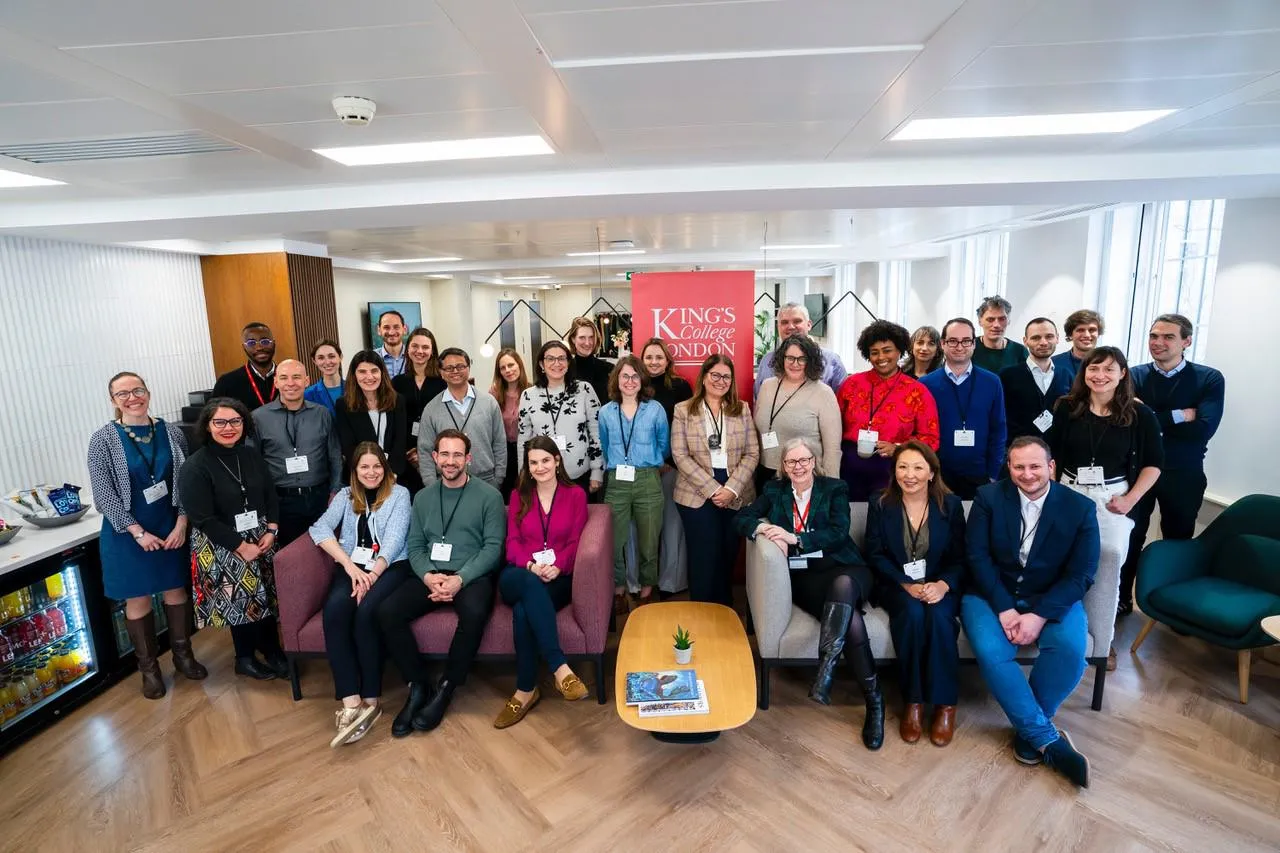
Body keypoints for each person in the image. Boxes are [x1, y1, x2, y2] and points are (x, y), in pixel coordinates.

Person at [961, 437, 1099, 788]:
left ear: (1051, 467)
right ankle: (1046, 739)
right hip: (991, 594)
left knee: (1070, 648)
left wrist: (1039, 615)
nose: (1027, 474)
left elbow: (1081, 574)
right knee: (993, 653)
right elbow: (977, 558)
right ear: (1008, 467)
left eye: (1035, 466)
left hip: (1050, 597)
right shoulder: (988, 498)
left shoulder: (1080, 508)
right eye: (1018, 466)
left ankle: (1032, 728)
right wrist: (1005, 608)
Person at [733, 438, 883, 750]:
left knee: (842, 587)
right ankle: (875, 701)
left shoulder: (835, 488)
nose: (799, 467)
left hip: (846, 568)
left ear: (814, 461)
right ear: (783, 467)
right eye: (791, 462)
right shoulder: (775, 491)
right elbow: (741, 518)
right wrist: (763, 529)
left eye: (804, 460)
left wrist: (796, 538)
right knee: (850, 616)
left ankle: (826, 670)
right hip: (806, 579)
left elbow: (839, 531)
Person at [87, 371, 206, 699]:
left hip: (170, 527)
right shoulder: (102, 439)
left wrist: (182, 522)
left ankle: (183, 657)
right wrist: (137, 532)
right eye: (122, 394)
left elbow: (184, 481)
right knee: (137, 598)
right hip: (127, 533)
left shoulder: (170, 432)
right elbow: (104, 495)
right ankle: (149, 670)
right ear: (113, 401)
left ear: (148, 392)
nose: (132, 397)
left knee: (175, 591)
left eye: (137, 390)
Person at [379, 430, 505, 737]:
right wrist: (428, 577)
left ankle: (447, 686)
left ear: (468, 459)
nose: (450, 461)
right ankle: (418, 685)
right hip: (431, 573)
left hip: (471, 575)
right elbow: (416, 545)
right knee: (386, 612)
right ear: (434, 458)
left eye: (457, 455)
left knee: (474, 613)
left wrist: (460, 579)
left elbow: (493, 548)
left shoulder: (490, 496)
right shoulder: (422, 498)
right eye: (444, 455)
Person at [1049, 346, 1161, 663]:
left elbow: (1154, 464)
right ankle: (1065, 632)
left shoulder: (1140, 415)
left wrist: (1129, 500)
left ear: (1123, 374)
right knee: (1064, 563)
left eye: (1109, 369)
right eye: (1093, 369)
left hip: (1114, 498)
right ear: (1084, 373)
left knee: (1108, 563)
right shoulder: (1067, 408)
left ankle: (1102, 640)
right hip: (1071, 492)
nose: (1100, 376)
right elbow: (1051, 456)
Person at [308, 442, 413, 747]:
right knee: (336, 610)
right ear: (354, 471)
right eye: (364, 467)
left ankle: (372, 698)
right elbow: (320, 529)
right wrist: (348, 566)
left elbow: (394, 540)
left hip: (391, 567)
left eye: (377, 466)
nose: (372, 472)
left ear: (386, 467)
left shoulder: (399, 494)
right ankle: (351, 702)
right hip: (353, 566)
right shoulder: (344, 495)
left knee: (367, 613)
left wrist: (371, 576)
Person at [1121, 314, 1225, 615]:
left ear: (1186, 341)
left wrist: (1150, 416)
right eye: (1154, 336)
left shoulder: (1208, 378)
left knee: (1177, 540)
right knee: (1131, 534)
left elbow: (1204, 428)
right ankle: (1122, 599)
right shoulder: (1134, 375)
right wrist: (1180, 415)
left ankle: (1173, 607)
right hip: (1137, 470)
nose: (1158, 343)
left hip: (1184, 473)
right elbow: (1127, 423)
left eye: (1168, 337)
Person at [864, 441, 965, 746]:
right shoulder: (880, 503)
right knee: (911, 613)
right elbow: (875, 554)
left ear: (932, 473)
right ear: (894, 472)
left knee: (939, 616)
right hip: (896, 584)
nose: (910, 475)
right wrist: (905, 583)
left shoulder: (951, 505)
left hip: (939, 584)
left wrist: (943, 585)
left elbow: (961, 558)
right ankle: (914, 702)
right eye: (903, 467)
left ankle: (946, 705)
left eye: (918, 467)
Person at [178, 398, 286, 681]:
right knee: (241, 602)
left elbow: (270, 494)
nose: (229, 428)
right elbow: (202, 518)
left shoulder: (250, 455)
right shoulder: (195, 466)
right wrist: (240, 546)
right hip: (222, 543)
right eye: (220, 422)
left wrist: (272, 529)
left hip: (261, 536)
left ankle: (272, 650)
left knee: (266, 596)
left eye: (235, 421)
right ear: (208, 426)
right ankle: (245, 657)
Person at [493, 436, 591, 728]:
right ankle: (560, 668)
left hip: (558, 578)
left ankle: (525, 691)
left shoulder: (575, 495)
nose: (540, 467)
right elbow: (511, 541)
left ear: (557, 460)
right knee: (526, 587)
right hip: (519, 573)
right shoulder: (518, 495)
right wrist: (532, 565)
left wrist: (558, 566)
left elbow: (576, 541)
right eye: (533, 462)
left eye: (546, 460)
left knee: (525, 611)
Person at [671, 353, 759, 606]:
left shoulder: (741, 409)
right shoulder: (683, 410)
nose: (721, 381)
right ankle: (701, 611)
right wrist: (713, 489)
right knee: (704, 555)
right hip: (696, 491)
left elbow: (752, 452)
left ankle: (724, 611)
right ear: (704, 377)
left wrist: (731, 488)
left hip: (736, 488)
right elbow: (679, 454)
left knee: (727, 554)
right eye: (715, 375)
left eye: (726, 377)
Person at [836, 320, 941, 501]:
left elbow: (931, 438)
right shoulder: (852, 384)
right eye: (874, 352)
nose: (881, 357)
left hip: (892, 472)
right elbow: (833, 426)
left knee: (885, 524)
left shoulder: (917, 391)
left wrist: (899, 448)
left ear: (899, 350)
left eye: (887, 350)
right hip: (848, 469)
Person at [599, 356, 669, 611]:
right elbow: (605, 447)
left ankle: (647, 587)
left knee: (649, 539)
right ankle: (618, 588)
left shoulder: (655, 409)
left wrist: (649, 463)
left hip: (648, 479)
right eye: (624, 376)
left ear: (642, 380)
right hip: (617, 480)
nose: (629, 381)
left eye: (635, 376)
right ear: (616, 380)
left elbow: (664, 444)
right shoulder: (605, 412)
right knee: (615, 541)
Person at [252, 359, 342, 547]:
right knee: (290, 555)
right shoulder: (259, 418)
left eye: (296, 377)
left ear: (307, 381)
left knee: (325, 553)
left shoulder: (322, 414)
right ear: (276, 382)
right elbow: (253, 462)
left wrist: (334, 491)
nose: (291, 383)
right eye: (284, 378)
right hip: (281, 502)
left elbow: (334, 456)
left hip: (320, 498)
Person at [919, 318, 1008, 499]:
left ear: (974, 344)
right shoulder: (925, 384)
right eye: (953, 341)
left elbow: (998, 430)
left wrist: (992, 474)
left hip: (979, 475)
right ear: (943, 344)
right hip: (937, 474)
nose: (960, 346)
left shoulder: (991, 382)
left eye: (966, 341)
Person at [753, 334, 841, 492]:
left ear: (811, 361)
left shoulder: (823, 393)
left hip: (803, 476)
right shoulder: (767, 387)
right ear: (782, 358)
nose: (795, 364)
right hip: (765, 474)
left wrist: (830, 489)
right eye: (790, 358)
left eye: (802, 359)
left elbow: (832, 450)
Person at [641, 337, 693, 597]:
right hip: (643, 469)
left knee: (673, 528)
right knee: (646, 529)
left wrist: (670, 462)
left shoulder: (681, 387)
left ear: (668, 360)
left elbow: (689, 428)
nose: (654, 362)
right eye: (649, 357)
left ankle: (670, 584)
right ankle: (644, 583)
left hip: (674, 467)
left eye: (659, 357)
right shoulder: (635, 386)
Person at [517, 340, 603, 495]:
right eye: (550, 359)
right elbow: (524, 438)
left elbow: (596, 432)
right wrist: (523, 472)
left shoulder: (584, 390)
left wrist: (597, 470)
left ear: (569, 363)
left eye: (562, 358)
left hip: (579, 474)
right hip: (541, 476)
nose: (557, 363)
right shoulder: (528, 395)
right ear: (542, 364)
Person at [417, 348, 507, 490]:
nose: (455, 371)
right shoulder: (431, 409)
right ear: (441, 372)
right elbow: (425, 451)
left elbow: (500, 443)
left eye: (460, 366)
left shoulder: (488, 402)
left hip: (487, 482)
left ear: (468, 368)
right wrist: (432, 486)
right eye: (449, 368)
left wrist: (498, 478)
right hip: (446, 484)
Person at [333, 351, 409, 481]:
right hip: (362, 477)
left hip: (393, 476)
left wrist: (392, 474)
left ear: (382, 373)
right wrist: (368, 474)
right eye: (362, 372)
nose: (369, 376)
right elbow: (349, 446)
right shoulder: (344, 405)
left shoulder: (397, 400)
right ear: (354, 375)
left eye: (374, 371)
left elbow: (400, 441)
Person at [392, 327, 447, 496]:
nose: (420, 351)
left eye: (425, 347)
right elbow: (394, 421)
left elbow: (446, 420)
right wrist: (408, 452)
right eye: (415, 346)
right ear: (407, 349)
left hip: (435, 452)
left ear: (432, 352)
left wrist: (424, 453)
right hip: (406, 454)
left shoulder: (442, 382)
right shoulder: (397, 382)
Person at [999, 318, 1072, 445]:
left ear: (1057, 338)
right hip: (1018, 452)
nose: (1043, 342)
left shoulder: (1066, 375)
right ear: (1025, 341)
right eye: (1036, 338)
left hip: (1057, 453)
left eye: (1049, 336)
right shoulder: (1007, 376)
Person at [753, 303, 848, 396]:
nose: (790, 327)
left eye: (797, 321)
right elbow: (759, 399)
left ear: (809, 325)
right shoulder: (767, 361)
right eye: (784, 322)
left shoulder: (831, 361)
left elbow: (842, 403)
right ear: (778, 327)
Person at [489, 347, 531, 500]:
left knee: (526, 494)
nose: (508, 370)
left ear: (519, 365)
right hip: (503, 453)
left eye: (511, 365)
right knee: (507, 495)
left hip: (528, 451)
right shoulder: (493, 395)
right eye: (503, 367)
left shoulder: (532, 391)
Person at [211, 321, 278, 411]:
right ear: (244, 347)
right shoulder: (226, 383)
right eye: (251, 343)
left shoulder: (291, 379)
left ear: (273, 343)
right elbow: (212, 417)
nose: (259, 347)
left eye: (265, 341)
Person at [972, 296, 1031, 375]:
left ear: (1009, 321)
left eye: (1002, 319)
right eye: (990, 319)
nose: (996, 325)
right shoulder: (969, 348)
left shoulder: (1020, 351)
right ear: (980, 322)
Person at [566, 316, 613, 404]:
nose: (587, 343)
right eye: (582, 337)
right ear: (573, 339)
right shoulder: (565, 369)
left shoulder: (609, 369)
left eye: (591, 337)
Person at [1052, 309, 1104, 380]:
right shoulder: (1054, 364)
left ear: (1099, 333)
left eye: (1092, 330)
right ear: (1070, 335)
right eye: (1080, 330)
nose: (1087, 335)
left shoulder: (1110, 364)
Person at [303, 339, 344, 415]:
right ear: (314, 361)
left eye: (331, 356)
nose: (327, 362)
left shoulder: (355, 389)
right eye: (321, 358)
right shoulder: (308, 395)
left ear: (340, 357)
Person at [374, 310, 408, 379]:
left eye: (396, 327)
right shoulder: (371, 358)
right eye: (386, 327)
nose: (391, 332)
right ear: (379, 330)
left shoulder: (415, 356)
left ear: (404, 329)